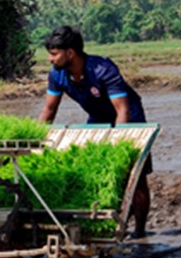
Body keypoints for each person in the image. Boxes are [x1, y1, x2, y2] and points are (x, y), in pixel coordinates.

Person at [39, 25, 152, 238]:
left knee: (134, 176)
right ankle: (112, 225)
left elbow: (123, 109)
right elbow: (49, 109)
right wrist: (33, 140)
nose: (50, 59)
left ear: (70, 53)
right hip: (98, 118)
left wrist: (118, 144)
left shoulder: (102, 69)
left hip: (129, 118)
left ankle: (140, 232)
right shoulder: (57, 74)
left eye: (54, 54)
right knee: (93, 171)